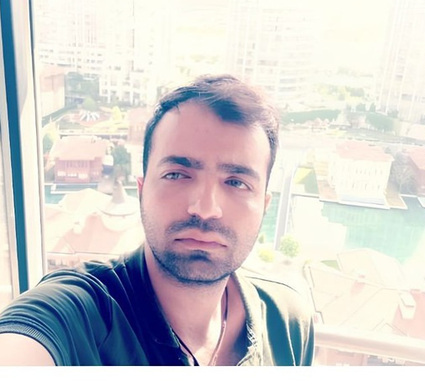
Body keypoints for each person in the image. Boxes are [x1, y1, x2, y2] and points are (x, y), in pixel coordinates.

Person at [0, 74, 314, 366]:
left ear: (264, 206)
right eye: (177, 174)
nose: (205, 209)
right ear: (141, 191)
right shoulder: (79, 315)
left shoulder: (286, 322)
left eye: (236, 182)